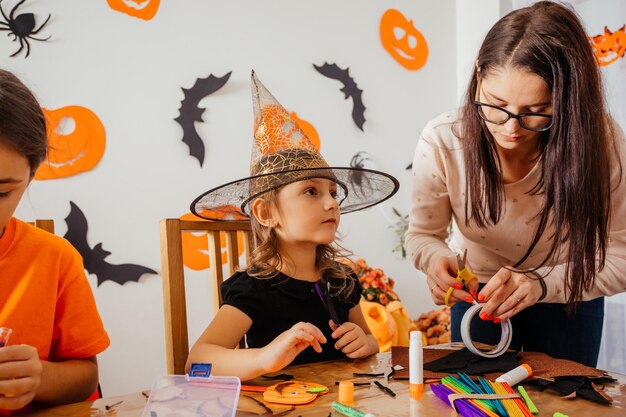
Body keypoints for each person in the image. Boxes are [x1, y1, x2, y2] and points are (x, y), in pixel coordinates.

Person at [405, 1, 626, 367]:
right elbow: (421, 235)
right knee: (476, 401)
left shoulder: (599, 141)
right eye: (495, 104)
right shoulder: (445, 139)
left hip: (569, 298)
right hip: (478, 297)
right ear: (478, 74)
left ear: (568, 101)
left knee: (565, 405)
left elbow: (621, 254)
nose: (510, 129)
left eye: (537, 112)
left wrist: (542, 283)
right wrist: (435, 260)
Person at [185, 71, 399, 381]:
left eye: (333, 193)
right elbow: (197, 364)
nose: (331, 204)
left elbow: (370, 340)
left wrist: (364, 342)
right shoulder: (254, 289)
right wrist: (264, 358)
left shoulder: (341, 280)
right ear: (265, 212)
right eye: (311, 191)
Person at [0, 69, 110, 410]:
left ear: (31, 177)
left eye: (2, 191)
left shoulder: (52, 258)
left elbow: (86, 377)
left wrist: (39, 379)